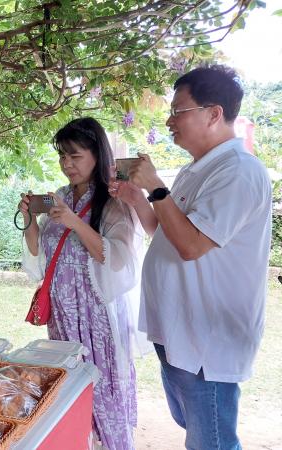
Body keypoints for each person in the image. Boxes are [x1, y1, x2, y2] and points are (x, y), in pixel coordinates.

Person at [128, 65, 272, 450]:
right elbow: (166, 237)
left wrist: (156, 187)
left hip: (206, 338)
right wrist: (136, 198)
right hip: (178, 328)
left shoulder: (238, 172)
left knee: (212, 441)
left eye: (179, 111)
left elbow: (192, 247)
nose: (169, 120)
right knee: (194, 426)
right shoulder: (196, 170)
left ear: (213, 113)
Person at [19, 117, 143, 450]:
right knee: (67, 394)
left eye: (76, 155)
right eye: (62, 156)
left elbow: (117, 258)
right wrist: (30, 217)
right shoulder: (58, 197)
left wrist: (75, 222)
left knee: (102, 395)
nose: (67, 164)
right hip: (61, 316)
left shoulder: (115, 200)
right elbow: (37, 250)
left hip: (97, 320)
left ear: (97, 154)